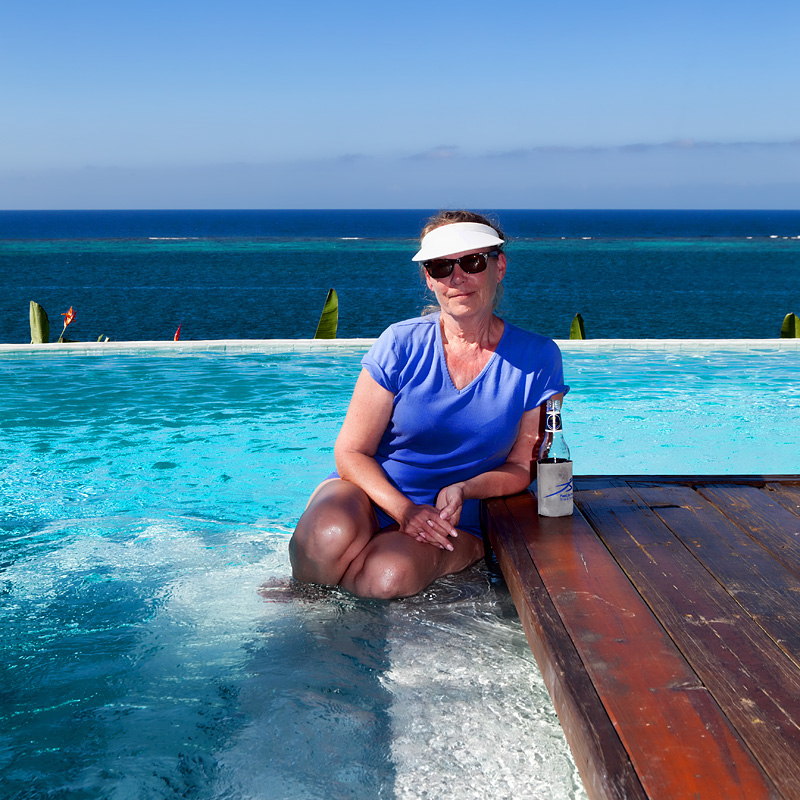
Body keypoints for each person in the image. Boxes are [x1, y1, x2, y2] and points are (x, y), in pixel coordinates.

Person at [289, 211, 568, 599]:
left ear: (499, 266)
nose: (457, 278)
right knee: (325, 537)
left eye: (472, 262)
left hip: (455, 517)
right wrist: (405, 511)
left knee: (386, 576)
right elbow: (351, 452)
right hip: (372, 496)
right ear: (429, 278)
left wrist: (464, 489)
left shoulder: (537, 357)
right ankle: (308, 610)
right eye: (441, 266)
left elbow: (523, 467)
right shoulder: (399, 344)